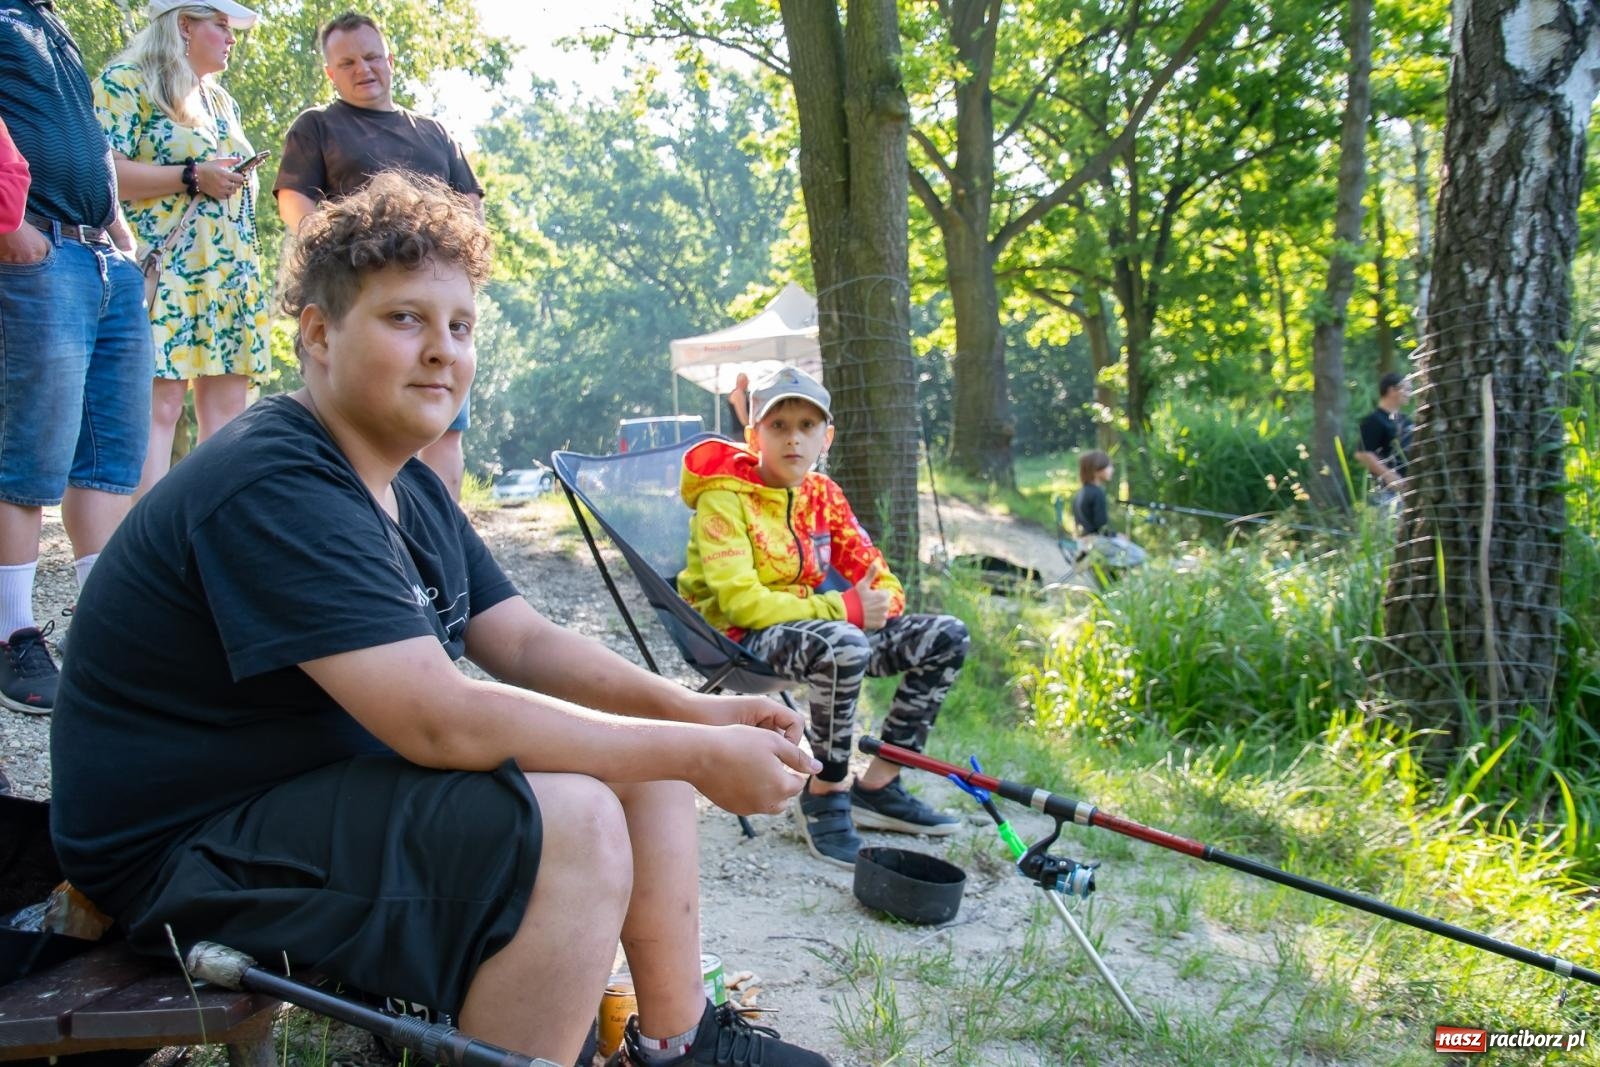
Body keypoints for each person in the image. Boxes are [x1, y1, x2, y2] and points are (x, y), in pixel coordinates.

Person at [48, 173, 830, 1067]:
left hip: (294, 798)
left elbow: (524, 641)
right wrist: (699, 756)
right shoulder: (277, 481)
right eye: (404, 319)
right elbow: (437, 717)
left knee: (634, 747)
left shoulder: (406, 483)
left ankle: (678, 1044)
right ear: (317, 334)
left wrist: (694, 714)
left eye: (459, 327)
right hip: (184, 844)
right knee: (575, 821)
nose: (441, 352)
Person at [678, 367, 970, 869]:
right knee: (844, 643)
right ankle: (826, 788)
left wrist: (879, 604)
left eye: (807, 425)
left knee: (945, 636)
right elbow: (741, 603)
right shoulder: (723, 497)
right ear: (754, 435)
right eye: (779, 425)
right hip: (739, 641)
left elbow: (877, 576)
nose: (794, 437)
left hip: (812, 631)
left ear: (826, 436)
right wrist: (845, 608)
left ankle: (878, 784)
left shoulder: (824, 495)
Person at [0, 0, 154, 715]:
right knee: (28, 452)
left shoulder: (48, 19)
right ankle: (14, 633)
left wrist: (122, 236)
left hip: (100, 256)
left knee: (108, 459)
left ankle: (105, 632)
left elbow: (89, 141)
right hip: (38, 250)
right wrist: (11, 225)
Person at [274, 10, 481, 500]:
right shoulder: (317, 127)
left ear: (389, 59)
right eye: (346, 62)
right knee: (350, 426)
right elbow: (295, 205)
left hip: (436, 305)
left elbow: (471, 207)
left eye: (371, 57)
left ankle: (443, 534)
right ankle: (355, 526)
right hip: (355, 306)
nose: (362, 69)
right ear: (330, 72)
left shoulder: (434, 132)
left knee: (445, 425)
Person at [95, 0, 271, 496]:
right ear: (184, 25)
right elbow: (102, 174)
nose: (232, 37)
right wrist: (192, 175)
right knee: (161, 409)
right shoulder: (126, 81)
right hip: (164, 274)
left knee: (228, 421)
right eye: (222, 25)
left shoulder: (220, 100)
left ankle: (214, 551)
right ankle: (147, 554)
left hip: (228, 278)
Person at [1070, 451, 1146, 572]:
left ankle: (1102, 568)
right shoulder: (1097, 493)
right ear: (1097, 470)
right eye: (1109, 466)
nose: (1112, 470)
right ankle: (1097, 563)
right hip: (1096, 543)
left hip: (1083, 542)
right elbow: (1101, 527)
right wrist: (1116, 536)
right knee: (1140, 555)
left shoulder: (1081, 493)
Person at [1354, 370, 1413, 506]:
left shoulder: (1406, 420)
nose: (1409, 394)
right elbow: (1363, 454)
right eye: (1406, 389)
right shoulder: (1374, 420)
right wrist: (1390, 476)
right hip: (1387, 492)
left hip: (1409, 488)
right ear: (1392, 390)